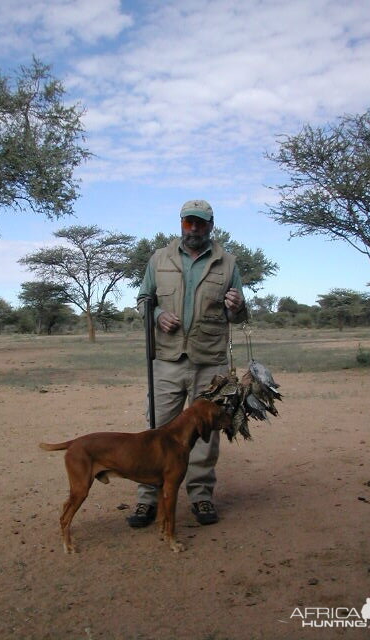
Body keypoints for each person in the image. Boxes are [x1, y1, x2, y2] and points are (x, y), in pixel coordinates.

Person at [127, 199, 248, 528]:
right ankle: (147, 498)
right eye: (187, 222)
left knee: (206, 432)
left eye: (200, 223)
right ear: (181, 223)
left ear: (211, 225)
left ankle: (201, 496)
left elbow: (238, 315)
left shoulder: (228, 263)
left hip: (209, 361)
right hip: (166, 359)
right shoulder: (159, 258)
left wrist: (237, 304)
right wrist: (156, 314)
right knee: (156, 428)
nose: (193, 228)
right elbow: (142, 300)